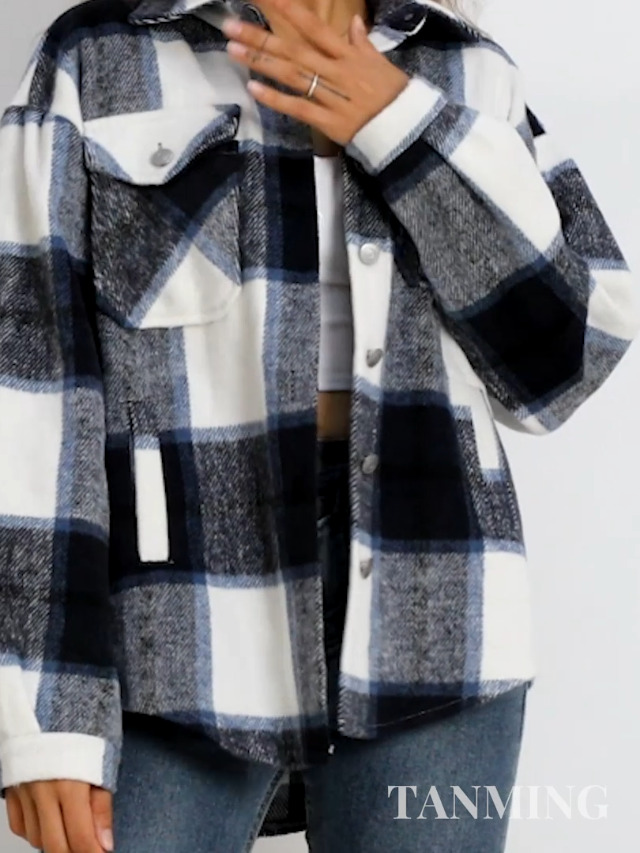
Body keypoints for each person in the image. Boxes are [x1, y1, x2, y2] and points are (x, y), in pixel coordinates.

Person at [0, 0, 637, 850]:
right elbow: (29, 383)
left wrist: (397, 120)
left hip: (441, 604)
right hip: (169, 615)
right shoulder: (98, 57)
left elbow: (562, 369)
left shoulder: (465, 67)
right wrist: (43, 709)